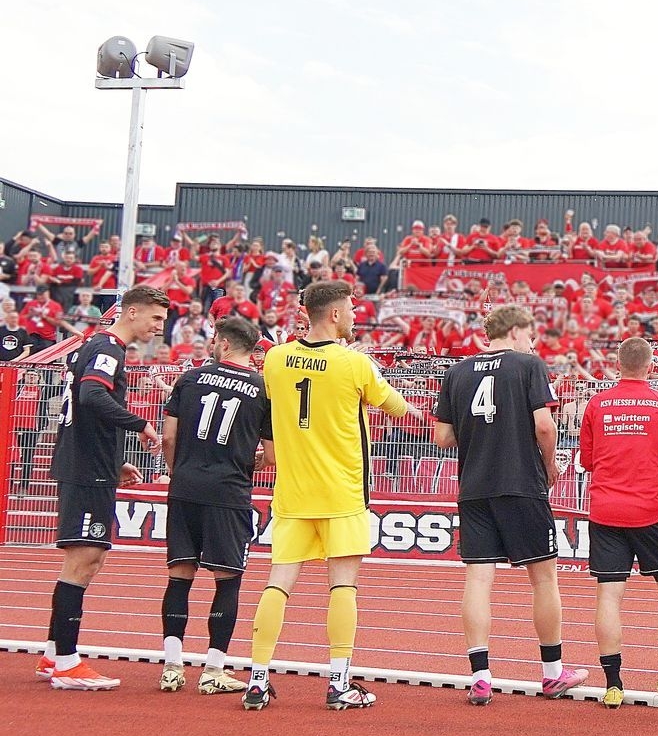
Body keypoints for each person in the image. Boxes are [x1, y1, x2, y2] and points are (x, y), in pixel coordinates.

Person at [242, 280, 419, 710]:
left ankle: (257, 679)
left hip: (293, 492)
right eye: (352, 309)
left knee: (277, 584)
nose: (356, 316)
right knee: (343, 586)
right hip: (342, 492)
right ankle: (339, 682)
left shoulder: (276, 358)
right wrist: (437, 420)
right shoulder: (354, 363)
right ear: (335, 314)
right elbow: (398, 407)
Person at [434, 305, 587, 706]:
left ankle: (481, 677)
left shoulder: (457, 371)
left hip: (475, 486)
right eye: (530, 335)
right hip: (521, 482)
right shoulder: (527, 365)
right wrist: (549, 465)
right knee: (544, 579)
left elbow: (442, 437)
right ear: (516, 331)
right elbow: (544, 426)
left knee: (478, 579)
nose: (533, 343)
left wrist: (480, 431)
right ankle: (552, 673)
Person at [39, 285, 169, 690]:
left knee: (87, 558)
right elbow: (92, 396)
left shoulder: (97, 346)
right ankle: (67, 662)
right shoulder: (107, 348)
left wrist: (114, 461)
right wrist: (140, 424)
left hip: (91, 463)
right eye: (155, 318)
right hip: (85, 469)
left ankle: (52, 654)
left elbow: (86, 409)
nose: (159, 327)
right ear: (131, 312)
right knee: (84, 559)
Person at [156, 315, 272, 695]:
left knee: (179, 575)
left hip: (185, 487)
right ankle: (214, 669)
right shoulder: (261, 389)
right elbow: (271, 454)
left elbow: (168, 438)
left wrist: (177, 472)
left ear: (223, 343)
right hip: (228, 492)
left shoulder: (188, 379)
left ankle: (171, 667)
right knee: (227, 579)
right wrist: (252, 461)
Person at [580, 338, 658, 709]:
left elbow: (587, 460)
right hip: (649, 511)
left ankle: (613, 684)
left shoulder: (597, 404)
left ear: (617, 364)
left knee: (609, 595)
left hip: (605, 510)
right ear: (651, 366)